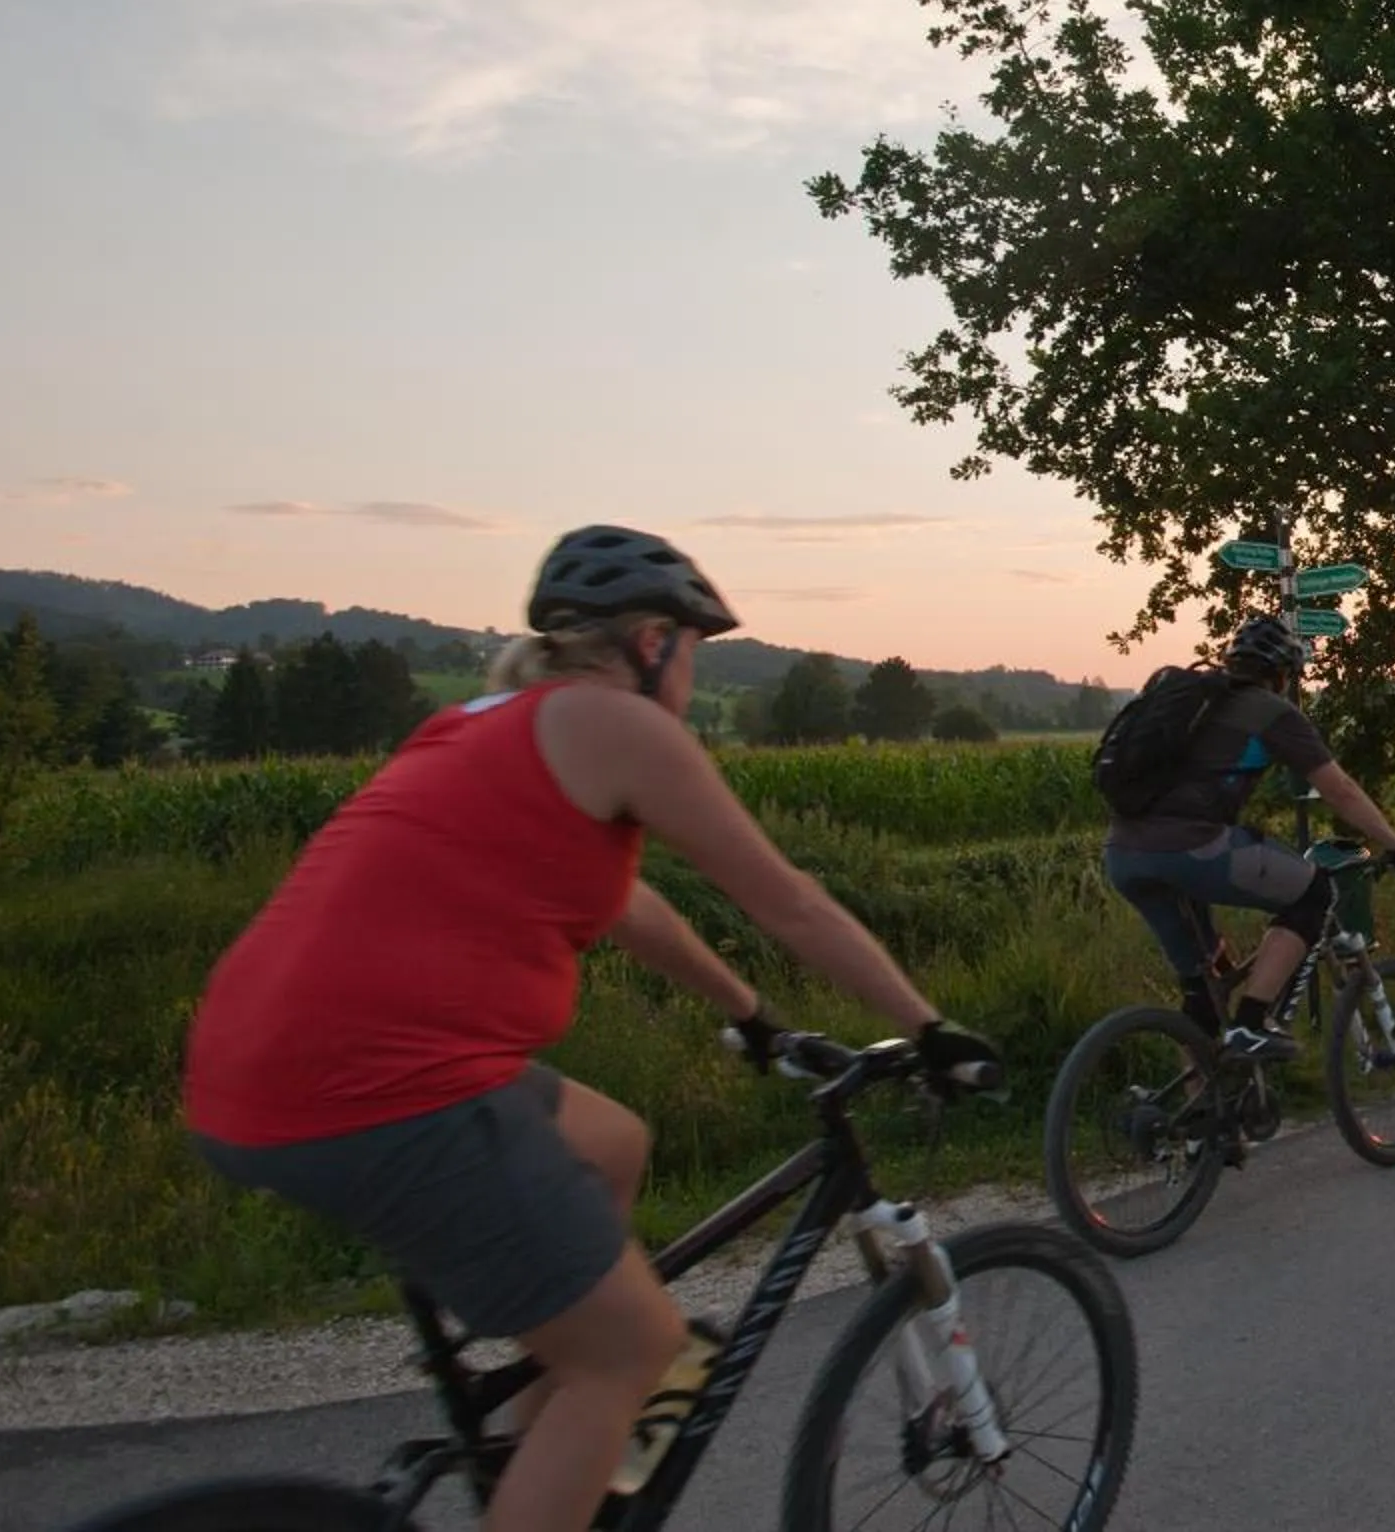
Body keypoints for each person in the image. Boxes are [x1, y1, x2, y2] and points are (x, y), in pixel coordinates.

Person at [181, 526, 1000, 1532]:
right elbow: (789, 901)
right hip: (387, 1087)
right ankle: (587, 1396)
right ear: (652, 640)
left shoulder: (485, 721)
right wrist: (930, 1026)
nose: (692, 675)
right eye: (692, 649)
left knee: (613, 1142)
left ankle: (545, 1447)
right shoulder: (618, 723)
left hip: (253, 1065)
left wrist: (749, 1013)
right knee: (633, 1351)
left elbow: (623, 903)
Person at [1100, 614, 1395, 1062]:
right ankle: (1251, 1023)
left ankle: (1198, 1125)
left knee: (1204, 991)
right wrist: (1394, 843)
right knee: (1314, 893)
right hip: (1193, 848)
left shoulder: (1191, 700)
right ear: (1283, 674)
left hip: (1124, 853)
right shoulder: (1273, 711)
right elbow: (1339, 791)